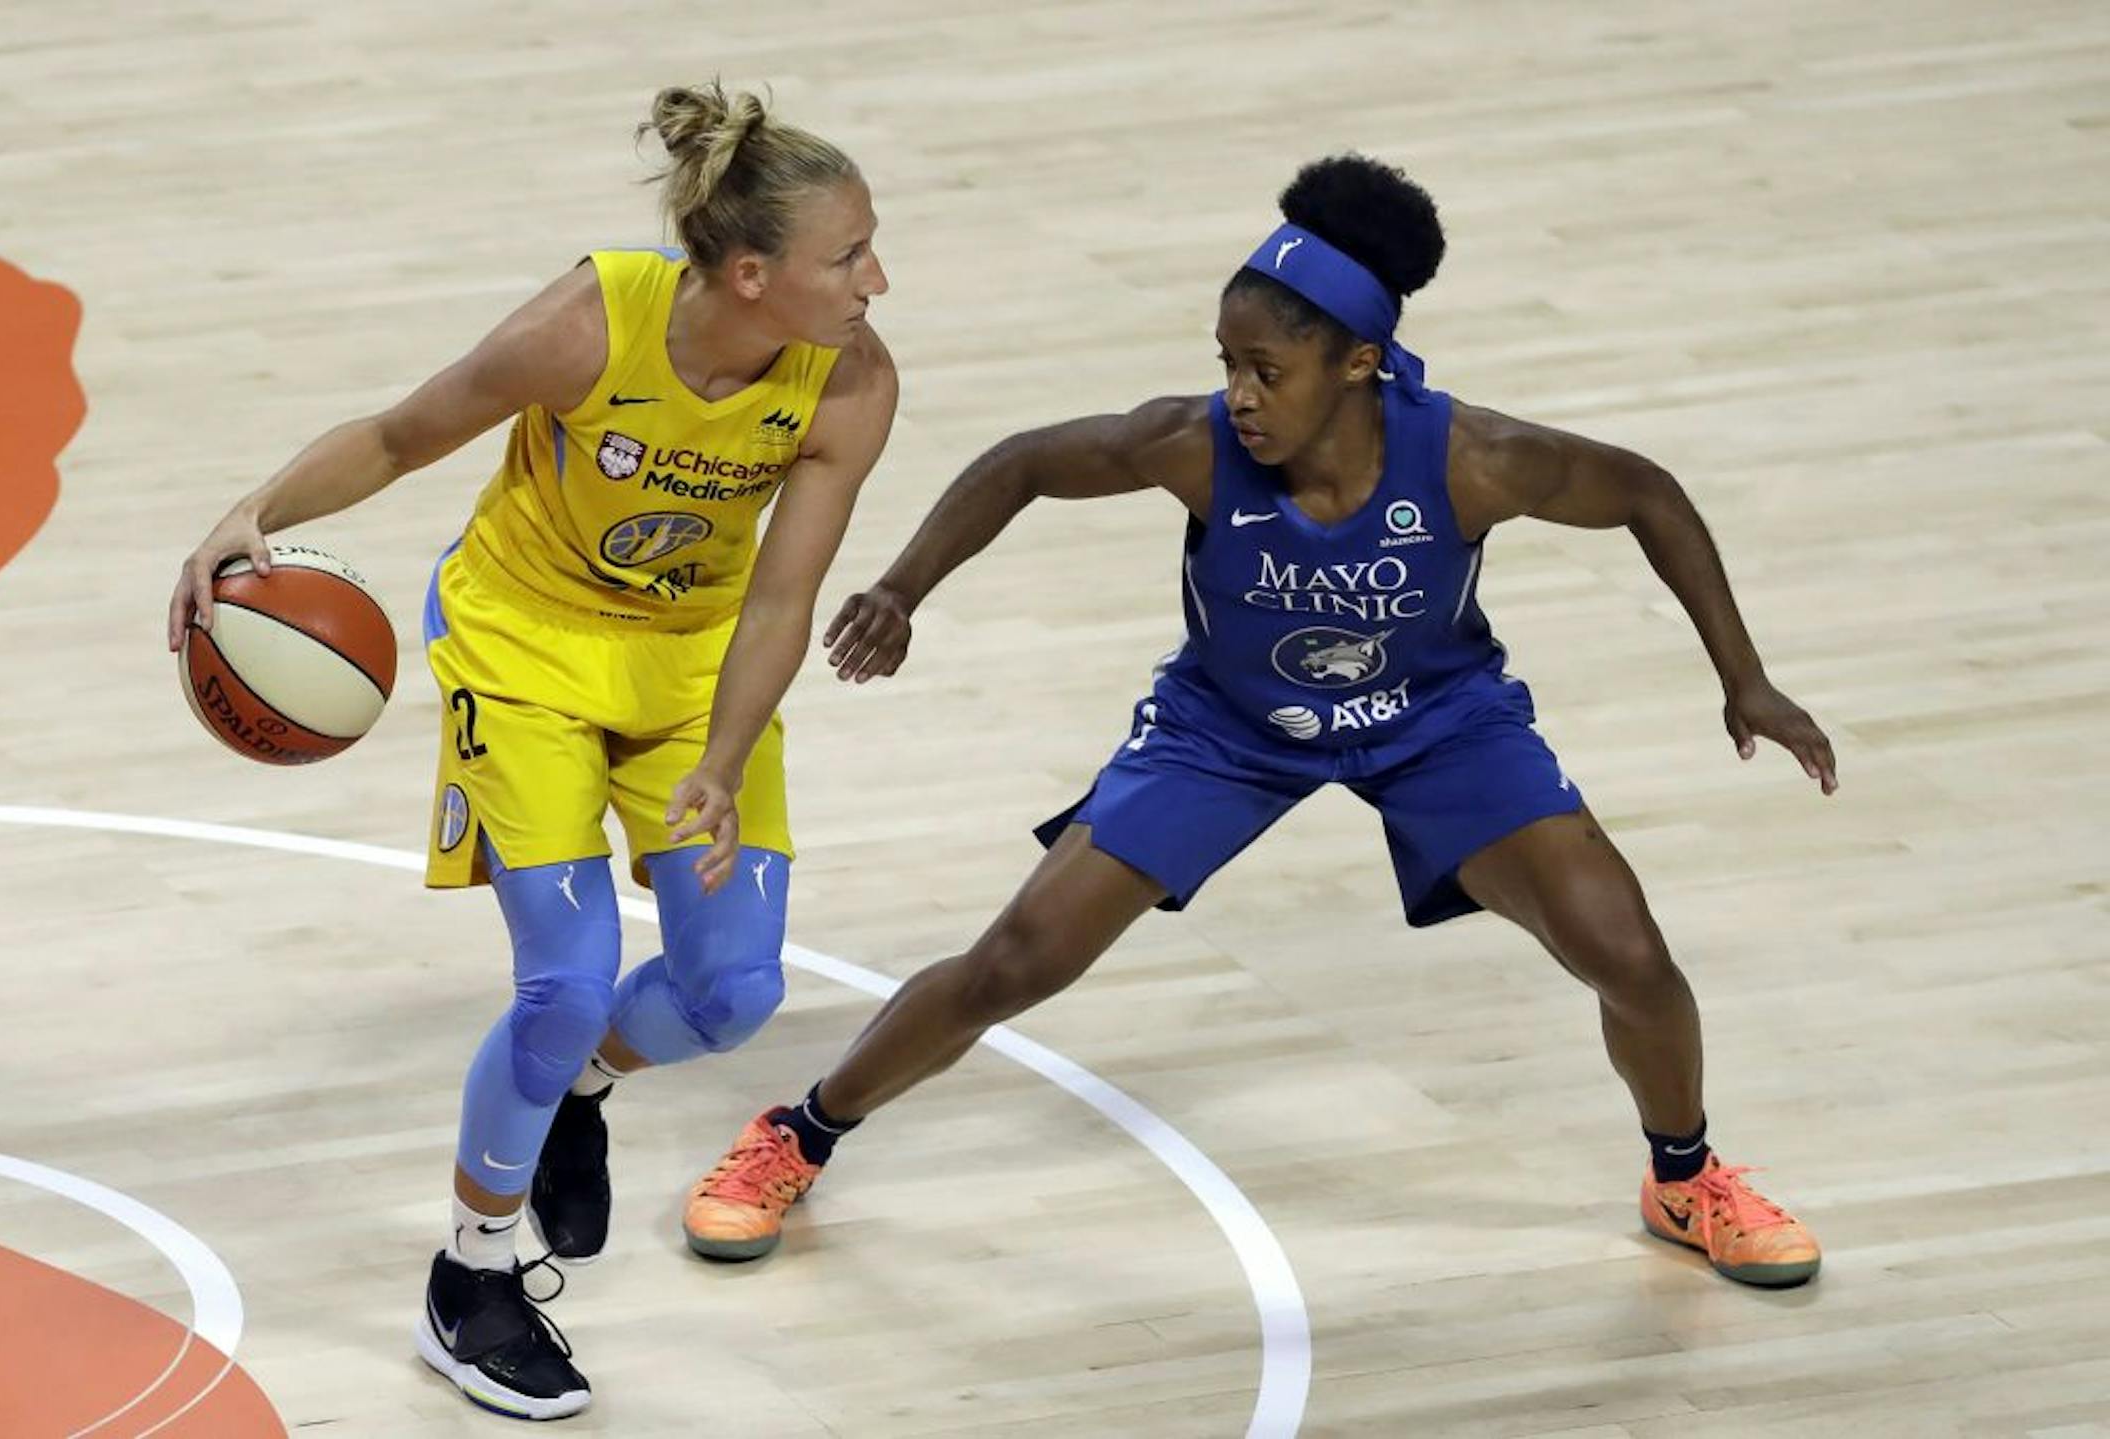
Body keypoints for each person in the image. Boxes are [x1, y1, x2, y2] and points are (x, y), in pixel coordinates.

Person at [671, 153, 1835, 1294]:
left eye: (1268, 370)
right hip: (1229, 727)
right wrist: (901, 588)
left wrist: (1746, 678)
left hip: (1436, 722)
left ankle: (1684, 1180)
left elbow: (1648, 493)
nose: (1240, 394)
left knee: (1629, 954)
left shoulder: (1474, 460)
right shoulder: (1196, 446)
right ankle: (799, 1133)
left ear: (1361, 363)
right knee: (1018, 960)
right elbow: (1025, 463)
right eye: (1228, 363)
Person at [166, 82, 896, 1420]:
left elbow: (782, 600)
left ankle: (580, 1091)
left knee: (733, 989)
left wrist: (723, 761)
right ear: (749, 274)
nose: (878, 279)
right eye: (847, 255)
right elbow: (399, 434)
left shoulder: (851, 378)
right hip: (524, 646)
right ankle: (473, 1274)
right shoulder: (584, 327)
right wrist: (250, 509)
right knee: (563, 980)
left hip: (692, 673)